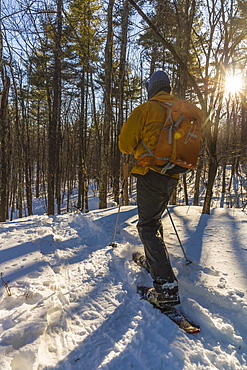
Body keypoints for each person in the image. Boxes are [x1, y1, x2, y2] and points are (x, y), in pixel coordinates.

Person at [118, 70, 181, 308]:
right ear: (168, 87)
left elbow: (125, 145)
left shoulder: (146, 109)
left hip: (151, 174)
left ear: (151, 88)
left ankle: (166, 289)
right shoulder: (182, 109)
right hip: (173, 175)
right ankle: (156, 263)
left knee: (146, 227)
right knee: (153, 220)